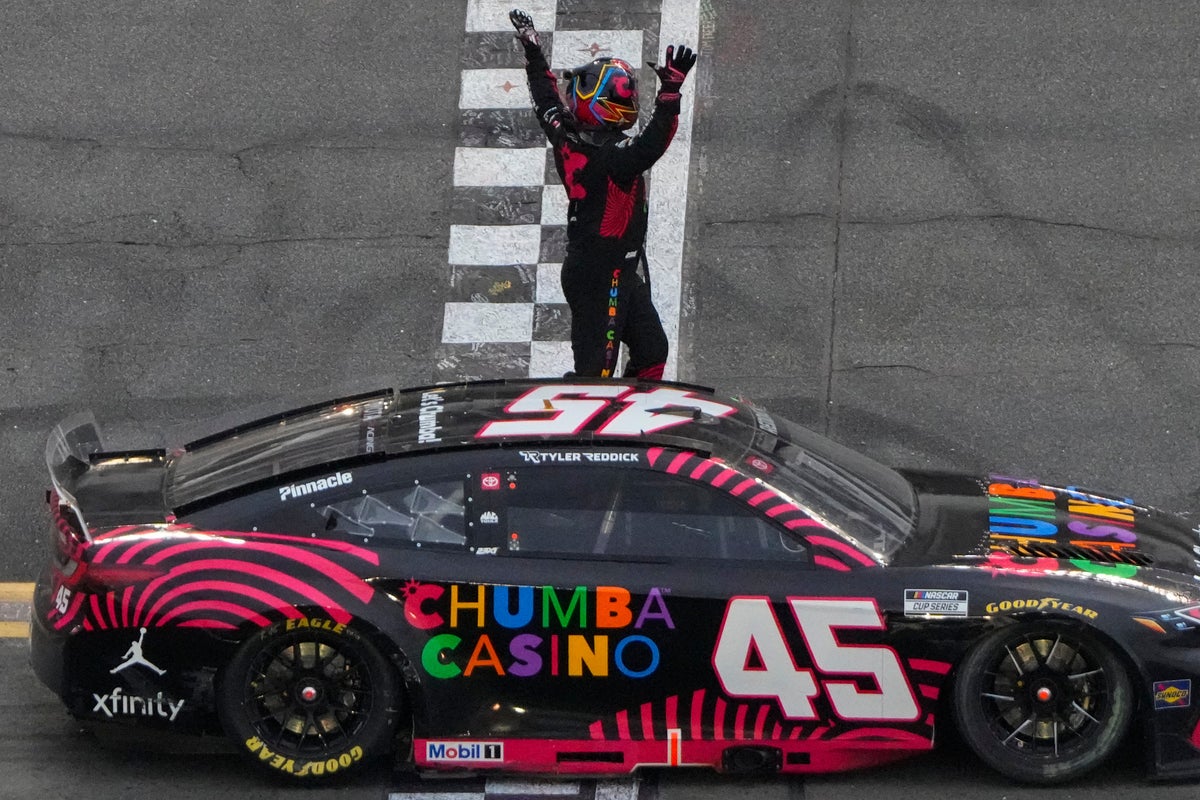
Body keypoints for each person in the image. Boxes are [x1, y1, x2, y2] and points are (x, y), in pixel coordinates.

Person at [509, 9, 697, 380]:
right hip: (600, 278)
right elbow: (651, 145)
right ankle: (589, 417)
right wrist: (669, 94)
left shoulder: (566, 133)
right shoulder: (611, 159)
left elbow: (545, 97)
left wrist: (533, 50)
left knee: (651, 351)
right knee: (596, 378)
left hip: (613, 270)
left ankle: (630, 410)